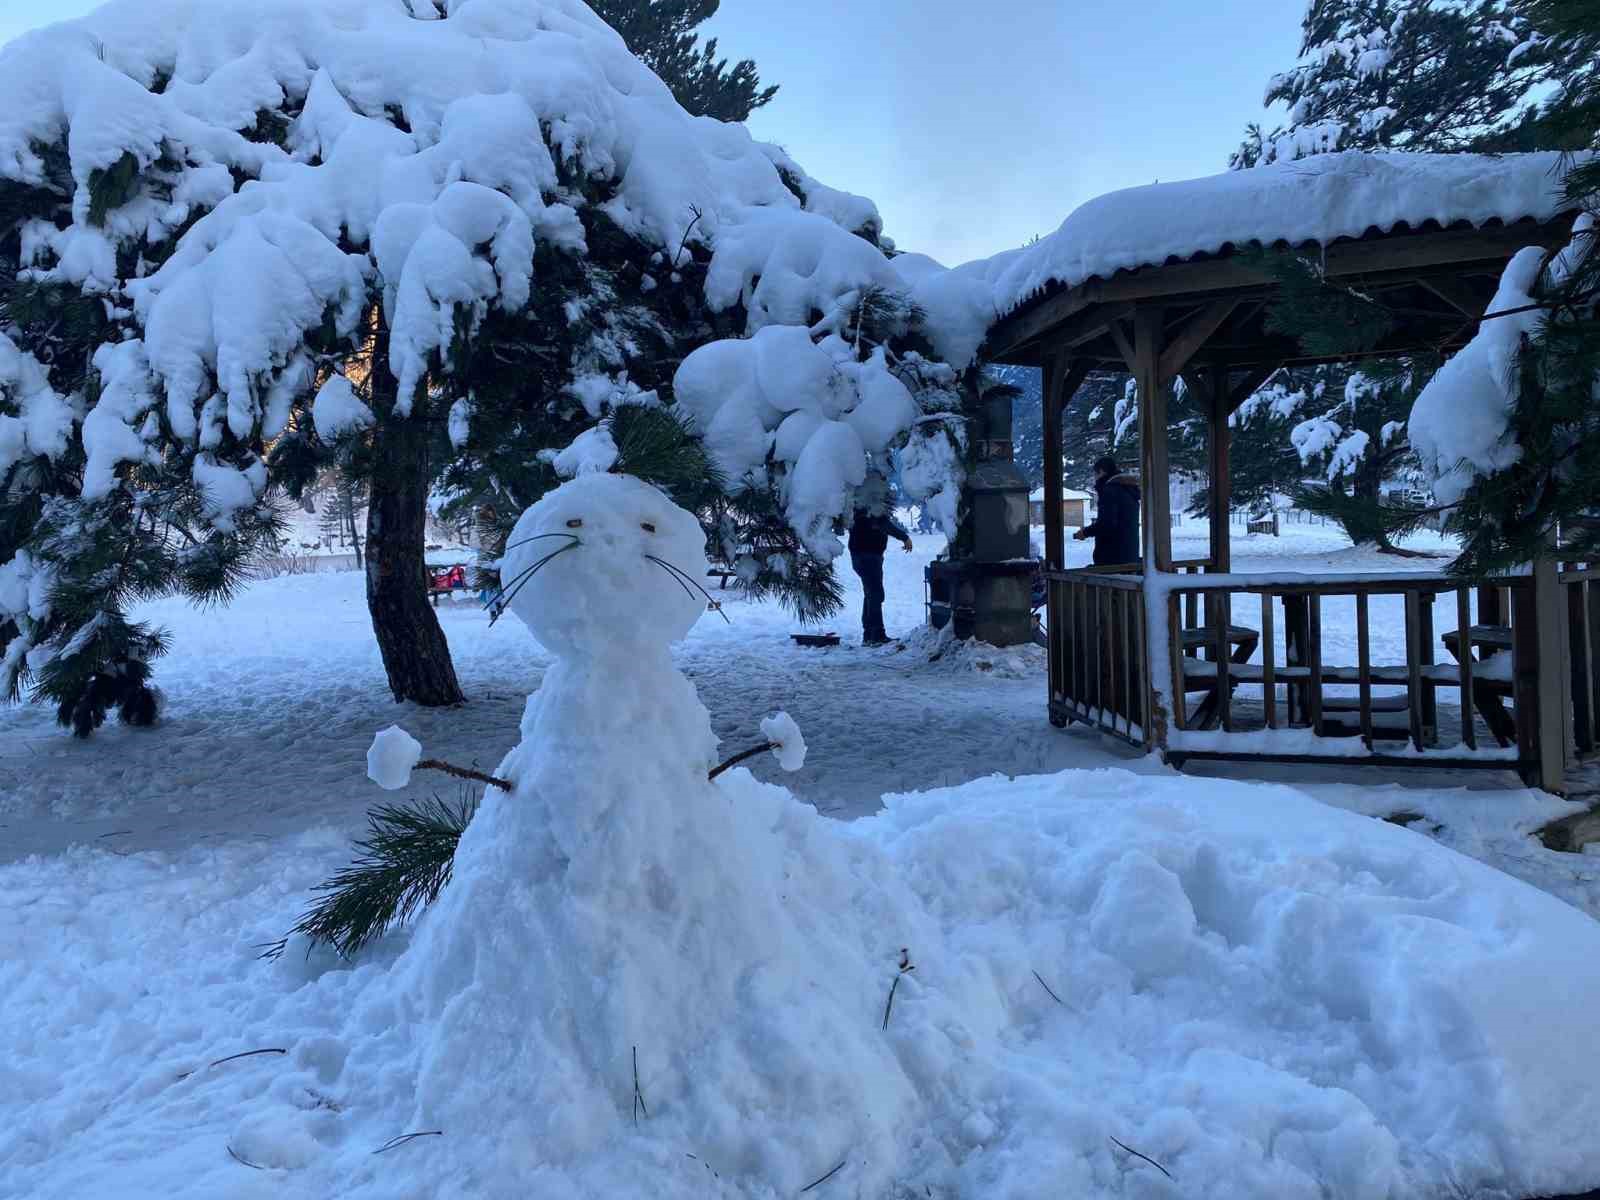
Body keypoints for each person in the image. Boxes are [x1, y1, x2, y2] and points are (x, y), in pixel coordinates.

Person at [848, 476, 914, 645]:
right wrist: (904, 537)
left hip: (860, 555)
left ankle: (869, 634)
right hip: (869, 556)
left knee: (870, 594)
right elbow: (884, 524)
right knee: (876, 594)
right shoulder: (872, 505)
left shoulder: (859, 504)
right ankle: (876, 635)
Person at [1074, 456, 1141, 566]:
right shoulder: (1128, 491)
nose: (1095, 478)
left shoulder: (1110, 491)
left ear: (1101, 471)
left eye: (1095, 474)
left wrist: (1085, 532)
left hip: (1112, 558)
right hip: (1129, 555)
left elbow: (1107, 524)